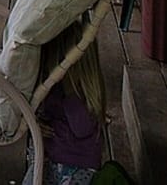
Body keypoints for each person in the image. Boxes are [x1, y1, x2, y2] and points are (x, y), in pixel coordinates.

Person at [24, 13, 106, 185]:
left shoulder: (80, 95)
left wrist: (70, 95)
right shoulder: (53, 87)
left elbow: (82, 128)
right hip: (51, 157)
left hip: (75, 165)